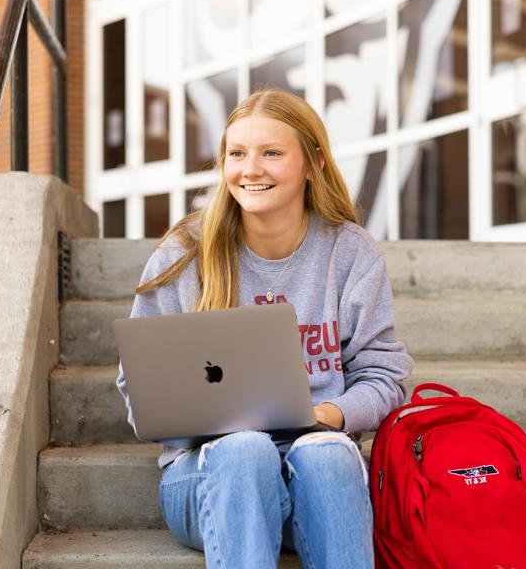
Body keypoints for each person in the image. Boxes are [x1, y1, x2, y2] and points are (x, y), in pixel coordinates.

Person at [115, 88, 414, 569]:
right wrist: (215, 423)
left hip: (317, 479)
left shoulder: (350, 252)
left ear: (312, 163)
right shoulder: (183, 252)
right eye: (237, 153)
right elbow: (139, 383)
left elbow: (385, 377)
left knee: (329, 456)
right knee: (244, 450)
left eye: (271, 152)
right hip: (209, 474)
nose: (250, 169)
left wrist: (326, 416)